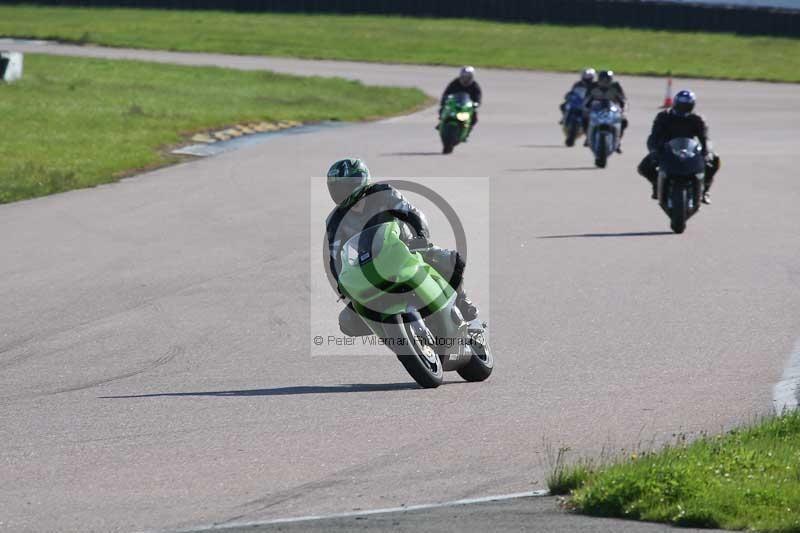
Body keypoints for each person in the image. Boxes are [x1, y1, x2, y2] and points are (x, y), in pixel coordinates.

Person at [324, 158, 478, 337]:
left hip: (406, 250)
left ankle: (464, 305)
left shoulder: (383, 193)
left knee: (450, 260)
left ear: (361, 181)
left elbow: (411, 212)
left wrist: (420, 236)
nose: (341, 192)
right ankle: (392, 331)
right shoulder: (335, 220)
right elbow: (334, 256)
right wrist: (342, 283)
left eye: (345, 186)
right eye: (336, 187)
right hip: (368, 270)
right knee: (347, 321)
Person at [637, 90, 720, 204]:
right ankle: (657, 185)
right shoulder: (663, 116)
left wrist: (707, 152)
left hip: (690, 150)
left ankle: (704, 190)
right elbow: (654, 136)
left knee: (714, 161)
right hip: (666, 150)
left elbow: (705, 138)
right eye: (681, 105)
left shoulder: (697, 119)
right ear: (675, 103)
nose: (683, 108)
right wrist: (654, 150)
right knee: (644, 167)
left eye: (686, 105)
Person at [583, 70, 628, 152]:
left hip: (612, 110)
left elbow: (623, 100)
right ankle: (587, 137)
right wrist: (586, 109)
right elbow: (586, 100)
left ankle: (618, 141)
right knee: (584, 118)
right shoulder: (593, 86)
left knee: (624, 121)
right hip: (596, 109)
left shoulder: (616, 86)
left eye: (607, 80)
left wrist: (623, 110)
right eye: (603, 80)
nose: (605, 82)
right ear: (599, 79)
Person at [439, 66, 482, 136]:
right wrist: (445, 99)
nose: (466, 79)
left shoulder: (475, 86)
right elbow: (447, 92)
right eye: (464, 76)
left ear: (472, 77)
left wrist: (476, 103)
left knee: (474, 116)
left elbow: (478, 96)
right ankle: (441, 123)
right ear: (461, 75)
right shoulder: (455, 83)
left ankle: (468, 129)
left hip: (466, 107)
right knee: (442, 109)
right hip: (454, 104)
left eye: (468, 77)